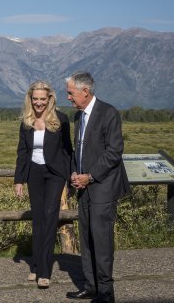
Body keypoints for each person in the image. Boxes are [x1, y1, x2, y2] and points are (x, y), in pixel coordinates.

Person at [65, 72, 131, 303]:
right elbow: (78, 150)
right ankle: (91, 285)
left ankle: (106, 292)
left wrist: (90, 176)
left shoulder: (108, 113)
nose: (68, 97)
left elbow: (114, 151)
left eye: (71, 93)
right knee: (86, 238)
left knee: (101, 240)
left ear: (85, 91)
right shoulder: (78, 116)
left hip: (103, 187)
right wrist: (74, 172)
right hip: (84, 187)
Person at [14, 81, 73, 289]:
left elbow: (68, 150)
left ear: (49, 99)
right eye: (35, 99)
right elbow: (22, 151)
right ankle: (36, 263)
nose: (39, 103)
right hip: (34, 174)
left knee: (50, 217)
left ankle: (44, 271)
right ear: (30, 99)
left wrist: (68, 177)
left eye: (42, 99)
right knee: (38, 219)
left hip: (55, 174)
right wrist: (19, 179)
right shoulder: (26, 121)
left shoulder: (61, 119)